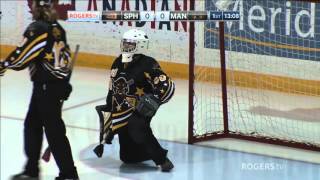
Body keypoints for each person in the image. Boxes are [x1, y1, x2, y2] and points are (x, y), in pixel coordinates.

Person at [0, 0, 79, 179]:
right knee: (33, 125)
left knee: (54, 132)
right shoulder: (57, 27)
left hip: (46, 88)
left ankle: (68, 174)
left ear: (38, 7)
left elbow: (21, 57)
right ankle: (32, 170)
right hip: (50, 86)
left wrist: (4, 65)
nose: (31, 8)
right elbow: (62, 60)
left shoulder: (38, 28)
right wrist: (64, 83)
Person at [94, 29, 175, 172]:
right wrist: (109, 109)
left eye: (130, 44)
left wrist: (154, 101)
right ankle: (148, 150)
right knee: (128, 157)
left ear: (141, 45)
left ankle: (162, 160)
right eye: (124, 43)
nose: (126, 46)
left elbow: (166, 85)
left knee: (137, 126)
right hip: (122, 110)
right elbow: (112, 88)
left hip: (142, 108)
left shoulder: (148, 63)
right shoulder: (118, 61)